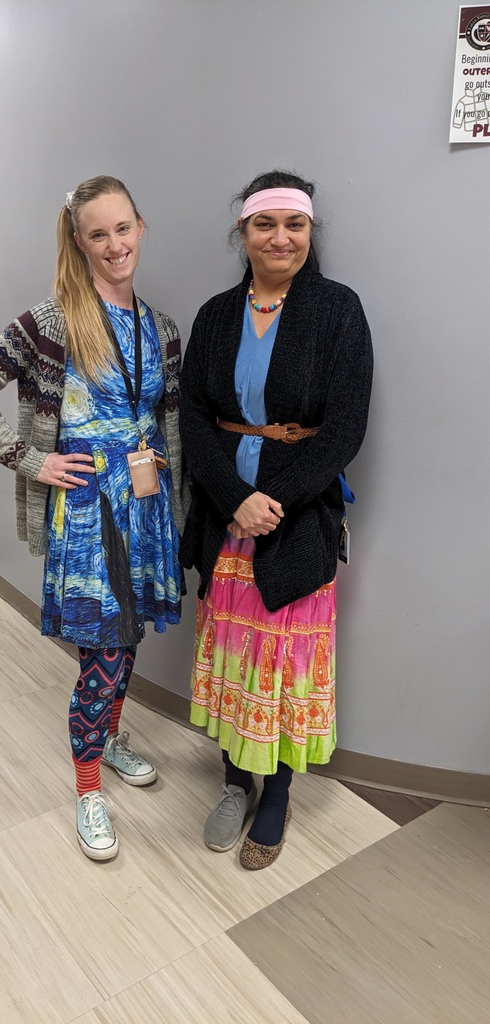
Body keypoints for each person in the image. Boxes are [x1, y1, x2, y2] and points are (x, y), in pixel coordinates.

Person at [0, 175, 189, 861]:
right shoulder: (51, 323)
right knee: (104, 648)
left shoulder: (161, 328)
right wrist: (29, 459)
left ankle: (109, 740)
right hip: (85, 513)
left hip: (143, 510)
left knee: (126, 637)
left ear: (141, 227)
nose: (115, 245)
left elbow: (165, 423)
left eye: (123, 229)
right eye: (98, 234)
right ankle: (88, 791)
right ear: (79, 242)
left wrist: (174, 493)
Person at [179, 169, 373, 870]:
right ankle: (234, 782)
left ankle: (279, 791)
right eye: (265, 224)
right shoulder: (215, 316)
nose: (280, 237)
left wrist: (276, 502)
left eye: (294, 224)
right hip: (226, 521)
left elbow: (345, 427)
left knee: (283, 669)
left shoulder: (338, 311)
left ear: (310, 232)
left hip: (296, 525)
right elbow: (194, 417)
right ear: (243, 233)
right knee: (236, 662)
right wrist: (234, 497)